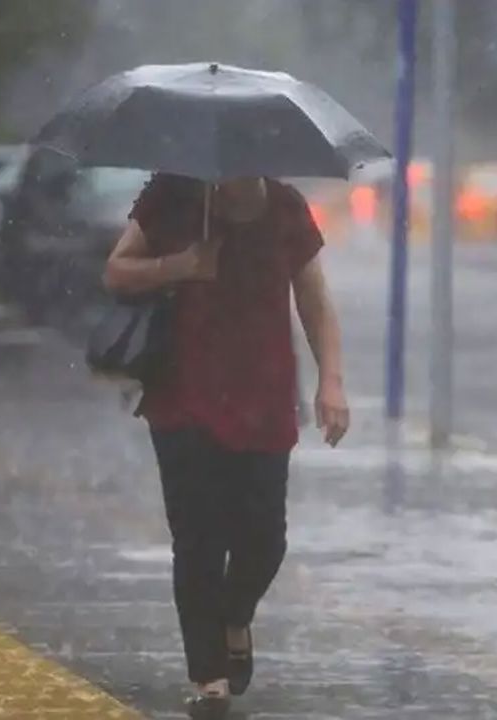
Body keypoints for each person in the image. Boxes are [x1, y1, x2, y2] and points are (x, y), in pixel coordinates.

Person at [103, 173, 349, 718]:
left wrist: (330, 379)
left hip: (264, 398)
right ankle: (208, 676)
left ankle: (235, 616)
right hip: (183, 396)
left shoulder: (285, 208)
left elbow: (313, 298)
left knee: (265, 540)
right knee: (198, 540)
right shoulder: (173, 197)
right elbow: (117, 270)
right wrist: (181, 266)